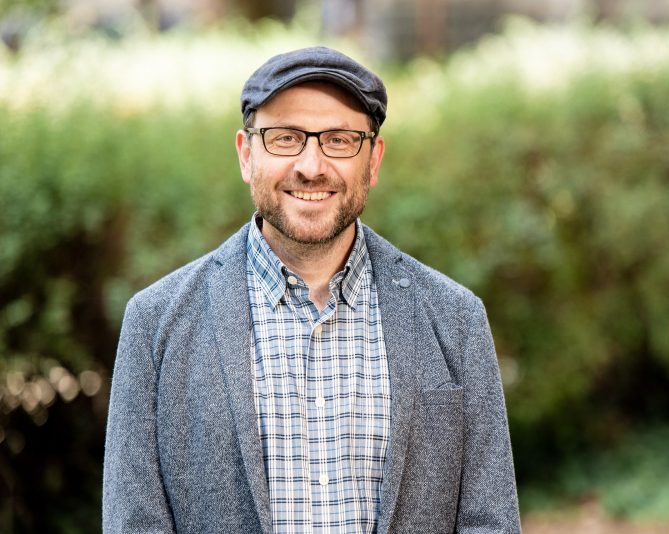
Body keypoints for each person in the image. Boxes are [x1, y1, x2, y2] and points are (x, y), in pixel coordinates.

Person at [103, 46, 520, 533]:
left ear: (374, 159)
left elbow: (489, 522)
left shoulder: (455, 319)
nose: (311, 165)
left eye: (339, 140)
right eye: (285, 138)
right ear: (245, 153)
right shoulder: (155, 324)